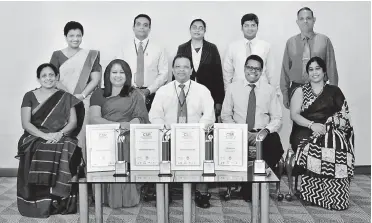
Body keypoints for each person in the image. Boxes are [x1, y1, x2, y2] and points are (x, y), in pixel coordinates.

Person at [17, 63, 85, 218]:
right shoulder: (29, 96)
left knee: (70, 146)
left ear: (57, 77)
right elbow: (26, 123)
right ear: (38, 78)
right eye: (44, 76)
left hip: (60, 135)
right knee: (42, 148)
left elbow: (72, 122)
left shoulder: (65, 97)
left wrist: (60, 134)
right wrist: (45, 136)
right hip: (35, 136)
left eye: (51, 75)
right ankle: (41, 202)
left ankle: (62, 201)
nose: (48, 78)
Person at [149, 55, 215, 208]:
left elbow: (209, 116)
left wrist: (197, 132)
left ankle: (202, 192)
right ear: (173, 69)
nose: (181, 70)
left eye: (186, 67)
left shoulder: (202, 90)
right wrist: (166, 132)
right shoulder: (163, 91)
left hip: (196, 136)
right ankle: (165, 191)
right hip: (169, 135)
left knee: (207, 146)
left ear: (191, 70)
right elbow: (155, 115)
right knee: (160, 144)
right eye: (178, 66)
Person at [290, 56, 354, 210]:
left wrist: (330, 125)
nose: (314, 72)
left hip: (330, 130)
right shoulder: (300, 91)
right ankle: (311, 194)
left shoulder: (334, 91)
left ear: (324, 71)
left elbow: (344, 115)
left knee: (335, 144)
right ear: (307, 73)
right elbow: (294, 115)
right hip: (305, 130)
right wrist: (312, 125)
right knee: (314, 147)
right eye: (311, 69)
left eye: (317, 68)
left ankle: (334, 195)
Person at [221, 54, 284, 201]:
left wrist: (263, 132)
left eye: (257, 68)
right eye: (250, 67)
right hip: (238, 131)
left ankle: (250, 186)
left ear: (261, 71)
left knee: (275, 144)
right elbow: (225, 115)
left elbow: (277, 118)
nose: (253, 71)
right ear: (244, 68)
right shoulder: (232, 88)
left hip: (262, 133)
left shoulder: (269, 90)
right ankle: (253, 186)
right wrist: (241, 132)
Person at [89, 59, 149, 208]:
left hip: (129, 133)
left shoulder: (134, 94)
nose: (118, 75)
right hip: (105, 133)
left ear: (127, 75)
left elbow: (141, 117)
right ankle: (105, 195)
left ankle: (128, 195)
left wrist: (127, 126)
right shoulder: (99, 93)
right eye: (114, 72)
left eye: (122, 72)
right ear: (108, 75)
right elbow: (94, 118)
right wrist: (117, 126)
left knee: (125, 141)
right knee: (111, 142)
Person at [50, 21, 102, 160]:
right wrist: (69, 96)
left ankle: (83, 166)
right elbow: (53, 79)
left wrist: (82, 94)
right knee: (64, 132)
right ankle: (65, 168)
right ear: (65, 36)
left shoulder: (90, 55)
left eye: (78, 35)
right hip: (63, 100)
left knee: (84, 134)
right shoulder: (57, 55)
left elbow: (95, 79)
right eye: (71, 35)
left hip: (84, 100)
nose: (75, 39)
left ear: (82, 36)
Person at [280, 7, 338, 109]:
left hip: (319, 89)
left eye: (308, 18)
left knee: (320, 123)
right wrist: (285, 94)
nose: (305, 21)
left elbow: (331, 68)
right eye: (301, 19)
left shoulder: (324, 40)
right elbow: (285, 70)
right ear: (297, 22)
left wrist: (333, 94)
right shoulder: (291, 42)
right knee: (298, 122)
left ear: (314, 20)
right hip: (296, 89)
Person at [117, 14, 168, 112]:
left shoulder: (159, 49)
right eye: (138, 24)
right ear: (133, 27)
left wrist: (149, 90)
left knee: (151, 124)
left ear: (149, 28)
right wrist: (131, 89)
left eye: (145, 25)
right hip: (128, 93)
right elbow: (119, 71)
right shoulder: (124, 48)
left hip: (152, 94)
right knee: (130, 124)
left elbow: (164, 73)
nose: (142, 27)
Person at [175, 19, 225, 121]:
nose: (197, 30)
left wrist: (218, 102)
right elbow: (177, 72)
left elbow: (218, 76)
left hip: (208, 93)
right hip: (186, 94)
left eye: (200, 28)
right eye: (194, 27)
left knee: (206, 124)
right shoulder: (182, 48)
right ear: (190, 30)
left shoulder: (212, 48)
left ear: (205, 31)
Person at [223, 13, 276, 91]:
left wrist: (275, 92)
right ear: (242, 28)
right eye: (246, 25)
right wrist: (228, 91)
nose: (250, 28)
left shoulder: (266, 46)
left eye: (253, 25)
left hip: (261, 89)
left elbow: (271, 72)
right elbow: (227, 72)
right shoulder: (232, 47)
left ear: (257, 27)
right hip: (238, 89)